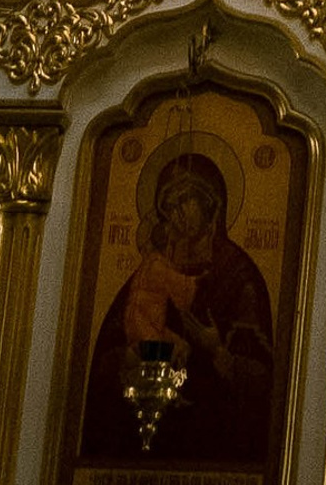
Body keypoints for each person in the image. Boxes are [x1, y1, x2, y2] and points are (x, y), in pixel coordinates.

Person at [76, 146, 274, 465]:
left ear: (212, 206)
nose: (174, 211)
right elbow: (104, 357)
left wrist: (218, 352)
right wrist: (131, 355)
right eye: (168, 204)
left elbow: (262, 379)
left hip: (215, 444)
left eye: (184, 199)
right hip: (144, 441)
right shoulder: (150, 272)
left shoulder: (238, 278)